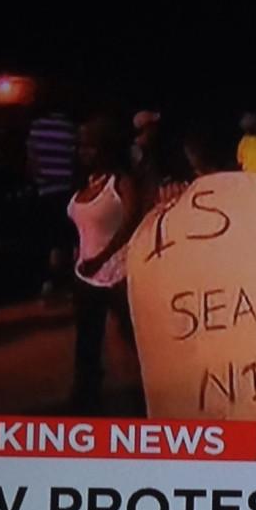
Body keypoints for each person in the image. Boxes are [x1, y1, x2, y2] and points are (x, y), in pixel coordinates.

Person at [67, 116, 142, 415]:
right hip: (85, 275)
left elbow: (131, 222)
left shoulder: (120, 181)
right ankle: (85, 401)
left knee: (134, 340)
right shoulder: (85, 182)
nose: (83, 152)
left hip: (117, 275)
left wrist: (101, 257)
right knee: (87, 345)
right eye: (80, 146)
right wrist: (80, 253)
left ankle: (149, 396)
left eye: (90, 146)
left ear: (106, 148)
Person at [25, 107, 77, 297]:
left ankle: (50, 281)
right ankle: (65, 282)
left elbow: (31, 163)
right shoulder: (69, 127)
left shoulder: (36, 127)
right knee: (67, 239)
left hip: (45, 191)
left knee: (51, 239)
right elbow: (76, 159)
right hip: (67, 191)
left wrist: (40, 179)